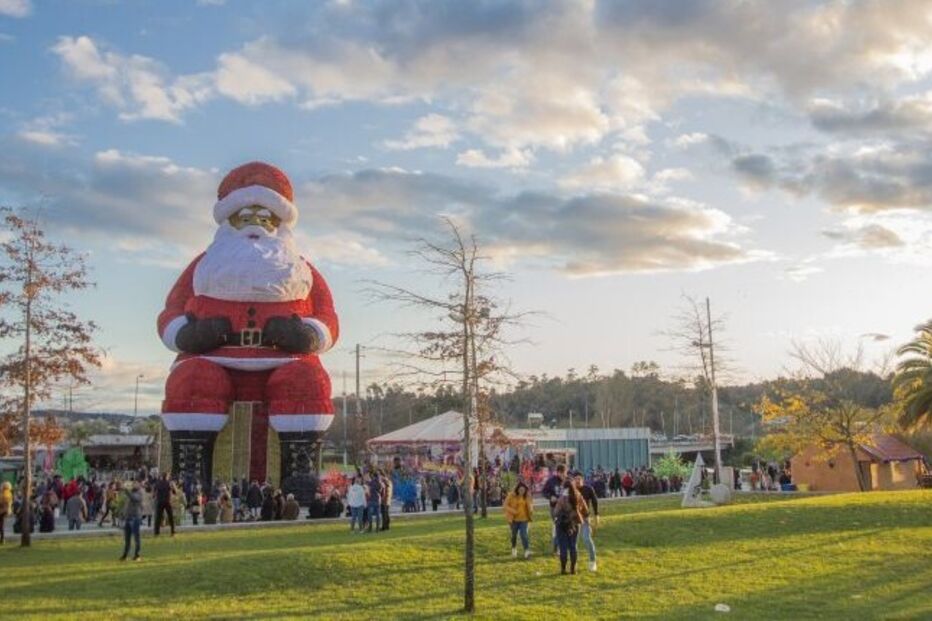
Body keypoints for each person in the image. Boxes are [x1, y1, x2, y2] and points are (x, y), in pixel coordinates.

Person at [553, 481, 585, 575]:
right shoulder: (578, 495)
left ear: (564, 487)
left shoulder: (562, 498)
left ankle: (563, 569)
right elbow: (583, 508)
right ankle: (573, 569)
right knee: (573, 546)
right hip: (574, 523)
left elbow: (555, 512)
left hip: (562, 524)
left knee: (563, 547)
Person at [574, 473, 599, 572]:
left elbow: (595, 501)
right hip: (574, 518)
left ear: (583, 480)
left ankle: (592, 561)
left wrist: (596, 514)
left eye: (579, 479)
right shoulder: (571, 489)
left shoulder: (588, 489)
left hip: (585, 518)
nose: (577, 481)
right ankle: (574, 563)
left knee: (586, 539)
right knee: (574, 541)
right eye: (576, 479)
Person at [541, 464, 567, 554]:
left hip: (566, 507)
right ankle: (558, 547)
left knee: (563, 527)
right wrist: (550, 496)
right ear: (557, 472)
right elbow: (544, 492)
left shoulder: (568, 480)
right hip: (555, 507)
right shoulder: (551, 481)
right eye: (560, 472)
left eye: (564, 472)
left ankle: (558, 546)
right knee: (558, 526)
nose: (562, 474)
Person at [503, 482, 533, 559]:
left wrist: (531, 510)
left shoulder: (527, 496)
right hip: (514, 520)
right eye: (520, 490)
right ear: (517, 489)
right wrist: (513, 511)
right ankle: (514, 548)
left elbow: (530, 505)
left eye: (523, 490)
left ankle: (527, 551)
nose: (522, 492)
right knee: (514, 536)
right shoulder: (511, 495)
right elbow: (505, 505)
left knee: (524, 535)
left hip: (524, 519)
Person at [120, 481, 144, 562]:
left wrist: (126, 490)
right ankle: (125, 555)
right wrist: (123, 514)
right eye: (133, 484)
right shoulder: (130, 493)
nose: (133, 485)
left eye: (135, 484)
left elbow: (133, 498)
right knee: (127, 539)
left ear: (139, 485)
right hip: (128, 517)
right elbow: (127, 505)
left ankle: (137, 555)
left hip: (135, 518)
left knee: (136, 538)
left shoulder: (139, 493)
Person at [153, 472, 175, 536]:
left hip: (159, 501)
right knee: (170, 516)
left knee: (158, 517)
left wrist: (155, 497)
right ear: (166, 477)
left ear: (161, 477)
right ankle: (172, 531)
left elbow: (154, 493)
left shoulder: (157, 483)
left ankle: (156, 532)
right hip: (167, 501)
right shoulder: (168, 483)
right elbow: (174, 492)